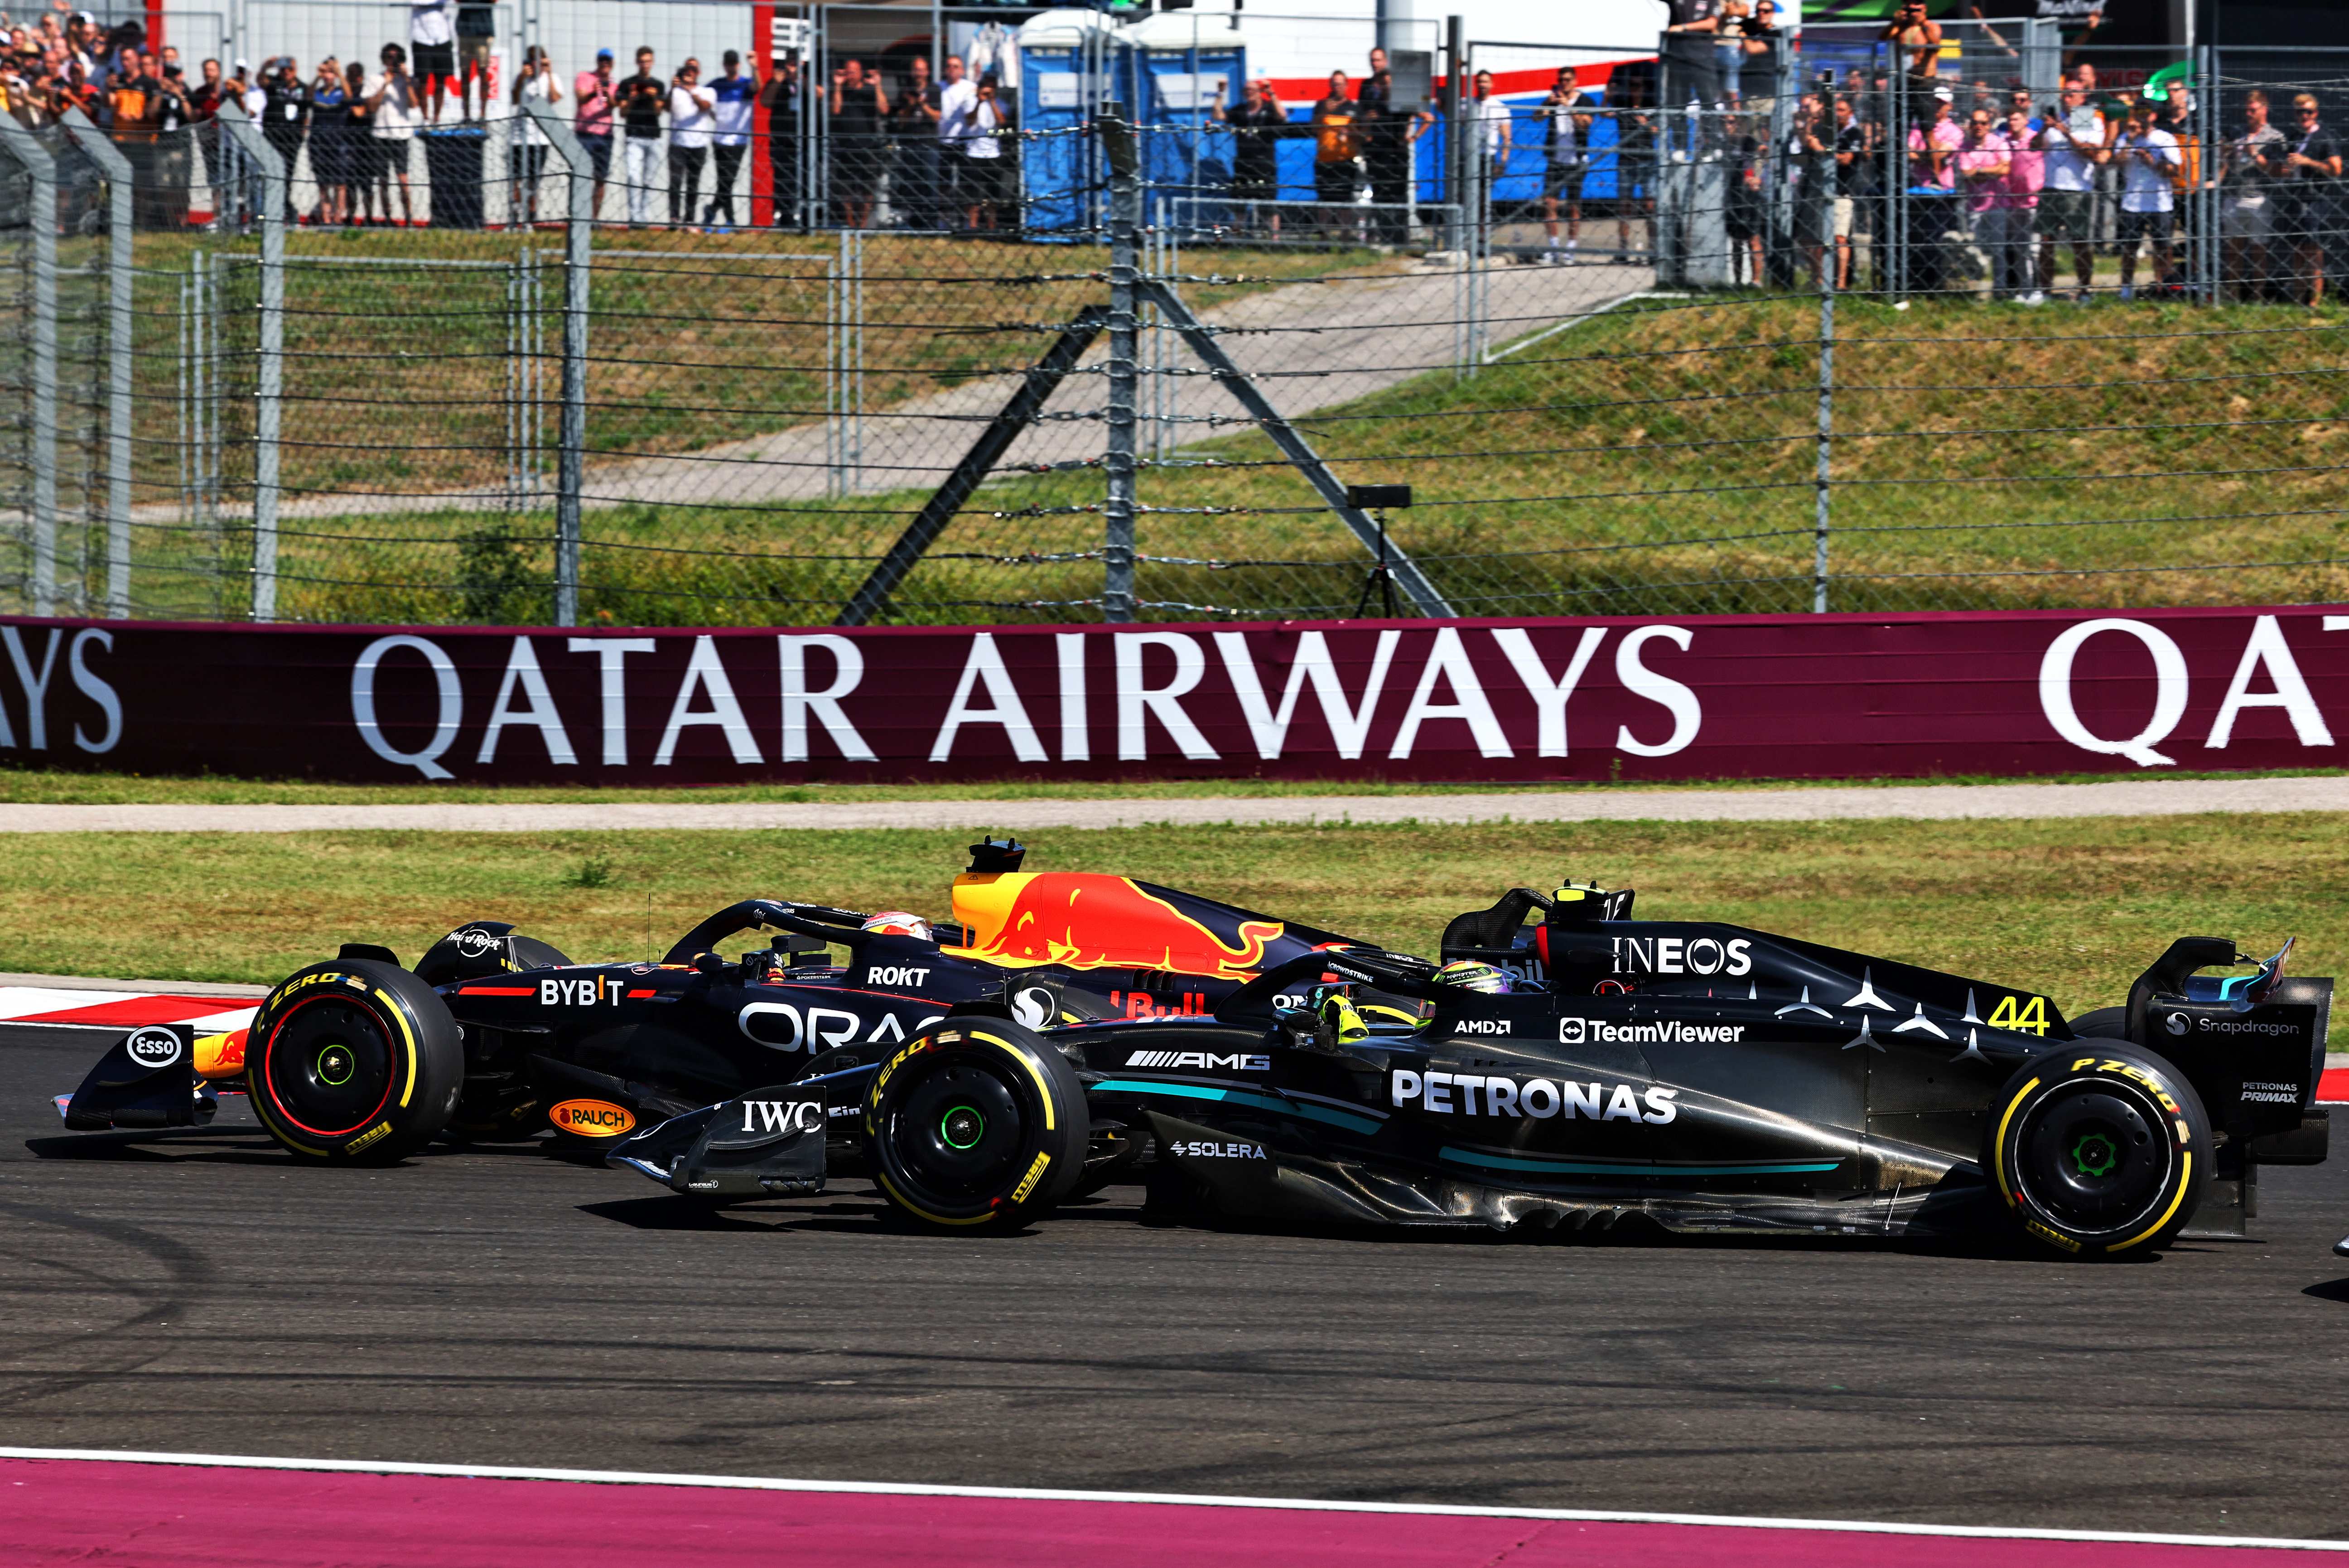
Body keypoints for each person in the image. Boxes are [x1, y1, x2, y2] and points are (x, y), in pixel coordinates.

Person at [2038, 80, 2103, 302]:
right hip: (2050, 186)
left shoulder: (2088, 119)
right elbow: (2034, 146)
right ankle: (2045, 291)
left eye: (2071, 94)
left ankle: (2085, 290)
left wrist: (2066, 133)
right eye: (2064, 94)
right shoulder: (2054, 120)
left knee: (2080, 242)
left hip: (2077, 189)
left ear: (2082, 98)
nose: (2066, 98)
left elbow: (2091, 153)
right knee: (2046, 241)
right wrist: (2045, 129)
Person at [2277, 93, 2342, 307]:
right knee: (2297, 251)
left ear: (2316, 113)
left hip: (2316, 200)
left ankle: (2315, 301)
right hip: (2295, 199)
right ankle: (2299, 299)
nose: (2304, 116)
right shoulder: (2292, 137)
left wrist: (2309, 161)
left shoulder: (2324, 137)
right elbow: (2284, 170)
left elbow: (2336, 169)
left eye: (2309, 111)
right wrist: (2287, 170)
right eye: (2300, 112)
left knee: (2313, 251)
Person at [2223, 89, 2285, 302]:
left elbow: (2278, 172)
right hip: (2233, 197)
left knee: (2259, 251)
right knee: (2233, 250)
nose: (2248, 114)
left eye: (2253, 110)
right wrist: (2228, 155)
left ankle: (2258, 297)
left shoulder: (2275, 137)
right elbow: (2229, 167)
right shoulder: (2239, 135)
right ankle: (2233, 296)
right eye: (2246, 110)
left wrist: (2256, 155)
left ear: (2264, 110)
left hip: (2259, 198)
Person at [2112, 101, 2178, 299]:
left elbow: (2175, 171)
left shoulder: (2165, 138)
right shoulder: (2126, 138)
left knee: (2162, 249)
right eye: (2138, 112)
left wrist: (2154, 162)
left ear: (2153, 116)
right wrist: (2131, 141)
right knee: (2130, 248)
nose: (2142, 117)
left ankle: (2164, 287)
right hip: (2133, 202)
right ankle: (2126, 289)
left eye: (2146, 113)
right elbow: (2118, 162)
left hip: (2160, 203)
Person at [1905, 85, 1962, 293]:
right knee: (1917, 240)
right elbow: (1910, 154)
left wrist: (1924, 153)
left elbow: (1939, 154)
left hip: (1942, 194)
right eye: (1934, 103)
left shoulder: (1954, 132)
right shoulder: (1917, 128)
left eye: (1941, 103)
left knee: (1938, 241)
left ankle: (1939, 284)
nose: (1937, 107)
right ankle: (1918, 284)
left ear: (1949, 106)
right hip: (1918, 191)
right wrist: (1930, 154)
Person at [1955, 105, 2009, 294]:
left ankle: (2000, 287)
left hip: (1997, 205)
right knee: (1973, 251)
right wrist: (1993, 169)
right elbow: (1965, 173)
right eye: (1975, 122)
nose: (1979, 126)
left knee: (1998, 250)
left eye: (1983, 123)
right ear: (1970, 125)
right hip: (1975, 206)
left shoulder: (1999, 143)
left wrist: (1979, 171)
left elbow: (2005, 169)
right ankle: (1975, 288)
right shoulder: (1964, 147)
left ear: (1989, 125)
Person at [1537, 68, 1589, 263]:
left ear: (1575, 81)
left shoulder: (1584, 101)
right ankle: (1554, 247)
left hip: (1576, 161)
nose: (1564, 83)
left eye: (1568, 80)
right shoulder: (1554, 100)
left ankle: (1571, 249)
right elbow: (1537, 117)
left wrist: (1568, 107)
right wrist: (1547, 103)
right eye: (1561, 80)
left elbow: (1585, 125)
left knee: (1574, 206)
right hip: (1556, 161)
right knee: (1549, 203)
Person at [828, 57, 885, 229]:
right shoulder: (841, 90)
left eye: (854, 71)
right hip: (845, 145)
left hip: (869, 145)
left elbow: (884, 109)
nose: (851, 74)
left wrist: (877, 85)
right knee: (846, 185)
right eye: (848, 71)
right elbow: (836, 110)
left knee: (869, 185)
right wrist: (838, 85)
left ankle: (864, 220)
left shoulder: (870, 90)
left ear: (861, 74)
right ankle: (850, 219)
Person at [366, 42, 418, 227]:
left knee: (403, 179)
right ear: (383, 59)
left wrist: (406, 80)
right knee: (383, 179)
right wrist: (385, 85)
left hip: (401, 135)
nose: (392, 61)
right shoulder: (375, 79)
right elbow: (371, 107)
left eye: (396, 58)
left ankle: (409, 216)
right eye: (389, 57)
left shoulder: (408, 80)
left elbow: (414, 104)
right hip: (381, 134)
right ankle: (387, 216)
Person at [698, 49, 751, 230]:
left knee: (727, 181)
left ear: (738, 65)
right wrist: (711, 113)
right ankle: (731, 221)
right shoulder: (716, 85)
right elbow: (702, 97)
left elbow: (758, 87)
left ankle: (713, 211)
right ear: (724, 65)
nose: (731, 67)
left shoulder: (746, 84)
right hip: (720, 140)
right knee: (725, 181)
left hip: (739, 141)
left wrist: (756, 66)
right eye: (728, 64)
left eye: (734, 63)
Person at [1222, 76, 1283, 235]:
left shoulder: (1268, 109)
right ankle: (1236, 239)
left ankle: (1275, 241)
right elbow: (1219, 116)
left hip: (1264, 165)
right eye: (1246, 90)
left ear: (1259, 92)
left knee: (1269, 207)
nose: (1249, 93)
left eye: (1252, 90)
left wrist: (1272, 94)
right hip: (1243, 165)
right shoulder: (1241, 110)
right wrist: (1220, 93)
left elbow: (1282, 116)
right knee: (1239, 207)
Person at [1997, 105, 2045, 302]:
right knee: (2018, 249)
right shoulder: (2005, 142)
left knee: (2032, 249)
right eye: (2010, 119)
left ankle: (2037, 290)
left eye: (2016, 119)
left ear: (2027, 120)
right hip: (2013, 202)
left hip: (2034, 201)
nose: (2012, 123)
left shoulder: (2036, 140)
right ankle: (2024, 291)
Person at [615, 46, 665, 228]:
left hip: (654, 136)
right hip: (634, 136)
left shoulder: (658, 85)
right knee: (633, 176)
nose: (645, 65)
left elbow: (659, 112)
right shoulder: (627, 83)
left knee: (649, 181)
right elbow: (622, 112)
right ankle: (634, 217)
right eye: (642, 61)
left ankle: (645, 218)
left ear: (652, 63)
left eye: (648, 61)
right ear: (637, 62)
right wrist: (632, 98)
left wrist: (653, 98)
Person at [510, 43, 559, 227]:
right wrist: (522, 79)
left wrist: (550, 72)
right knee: (515, 179)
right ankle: (515, 213)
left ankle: (531, 215)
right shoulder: (522, 79)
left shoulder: (550, 79)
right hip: (519, 136)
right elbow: (515, 99)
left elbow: (554, 98)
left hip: (540, 137)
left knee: (533, 180)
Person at [956, 71, 1010, 232]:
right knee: (973, 193)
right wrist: (979, 103)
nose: (990, 88)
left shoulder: (1001, 103)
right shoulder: (971, 101)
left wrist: (992, 101)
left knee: (992, 193)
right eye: (987, 84)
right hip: (974, 152)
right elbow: (970, 121)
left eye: (993, 85)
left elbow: (1001, 122)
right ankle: (973, 226)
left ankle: (991, 226)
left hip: (994, 153)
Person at [887, 55, 937, 229]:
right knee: (912, 183)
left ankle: (931, 222)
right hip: (910, 143)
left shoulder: (934, 90)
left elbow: (939, 118)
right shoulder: (905, 91)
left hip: (929, 143)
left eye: (922, 70)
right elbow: (900, 121)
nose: (919, 73)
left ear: (928, 72)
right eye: (916, 70)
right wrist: (910, 105)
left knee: (930, 184)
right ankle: (915, 221)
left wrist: (923, 105)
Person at [758, 49, 802, 229]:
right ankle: (786, 216)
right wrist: (777, 82)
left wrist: (799, 78)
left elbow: (819, 95)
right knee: (783, 179)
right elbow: (765, 102)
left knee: (802, 178)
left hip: (803, 138)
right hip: (781, 138)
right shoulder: (777, 82)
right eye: (789, 62)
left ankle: (803, 215)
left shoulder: (805, 81)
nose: (791, 66)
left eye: (795, 62)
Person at [666, 56, 712, 230]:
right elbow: (665, 107)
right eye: (687, 68)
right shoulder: (675, 91)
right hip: (677, 143)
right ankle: (674, 218)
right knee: (675, 182)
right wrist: (672, 89)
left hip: (698, 145)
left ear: (699, 73)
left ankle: (690, 219)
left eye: (694, 69)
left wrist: (688, 89)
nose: (690, 72)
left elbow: (704, 107)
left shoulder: (706, 91)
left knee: (693, 183)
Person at [259, 55, 305, 222]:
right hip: (273, 138)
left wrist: (302, 135)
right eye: (283, 69)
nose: (286, 72)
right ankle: (268, 212)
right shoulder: (273, 84)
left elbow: (306, 112)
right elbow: (261, 81)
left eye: (290, 69)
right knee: (270, 176)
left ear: (296, 70)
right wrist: (266, 66)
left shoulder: (302, 88)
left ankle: (287, 209)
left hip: (292, 140)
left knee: (287, 176)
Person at [1310, 70, 1357, 234]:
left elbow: (1362, 134)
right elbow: (1313, 129)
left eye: (1340, 84)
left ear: (1346, 86)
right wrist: (1324, 112)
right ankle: (1324, 240)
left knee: (1345, 202)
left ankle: (1345, 240)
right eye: (1334, 84)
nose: (1337, 87)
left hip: (1346, 161)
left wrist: (1350, 132)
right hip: (1324, 161)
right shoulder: (1322, 105)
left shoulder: (1353, 108)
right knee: (1325, 203)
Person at [309, 56, 350, 227]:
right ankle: (326, 220)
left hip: (338, 142)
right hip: (318, 142)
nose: (328, 76)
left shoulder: (340, 92)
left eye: (330, 72)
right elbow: (307, 95)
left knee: (340, 184)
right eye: (326, 72)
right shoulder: (317, 93)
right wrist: (318, 76)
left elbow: (349, 96)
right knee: (323, 184)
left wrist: (340, 73)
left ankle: (338, 218)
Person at [574, 47, 615, 216]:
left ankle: (594, 218)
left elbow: (614, 107)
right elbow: (581, 99)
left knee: (600, 178)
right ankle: (579, 216)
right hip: (585, 134)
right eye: (602, 60)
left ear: (612, 64)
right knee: (581, 178)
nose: (605, 63)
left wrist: (606, 93)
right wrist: (593, 93)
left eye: (608, 61)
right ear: (597, 62)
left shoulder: (614, 85)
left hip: (605, 136)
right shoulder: (585, 77)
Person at [1470, 68, 1508, 241]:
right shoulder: (1468, 105)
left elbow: (1507, 136)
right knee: (1466, 195)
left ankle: (1482, 234)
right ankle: (1468, 231)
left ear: (1492, 84)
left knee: (1483, 196)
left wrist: (1503, 160)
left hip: (1488, 155)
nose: (1482, 85)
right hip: (1470, 156)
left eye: (1485, 82)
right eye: (1479, 82)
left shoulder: (1499, 107)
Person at [408, 0, 454, 125]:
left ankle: (436, 119)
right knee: (423, 80)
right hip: (421, 38)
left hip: (442, 38)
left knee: (441, 81)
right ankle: (426, 118)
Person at [344, 58, 378, 224]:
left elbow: (361, 112)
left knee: (367, 185)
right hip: (348, 143)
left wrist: (353, 108)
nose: (349, 79)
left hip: (366, 145)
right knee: (350, 185)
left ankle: (369, 217)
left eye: (353, 76)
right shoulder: (343, 93)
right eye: (348, 75)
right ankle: (350, 217)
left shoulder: (365, 93)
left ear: (360, 78)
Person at [1883, 0, 1942, 84]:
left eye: (1917, 4)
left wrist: (1923, 24)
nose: (1912, 7)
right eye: (1908, 4)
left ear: (1924, 8)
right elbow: (1884, 38)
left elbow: (1936, 46)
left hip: (1925, 80)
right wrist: (1895, 22)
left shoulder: (1932, 27)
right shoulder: (1900, 27)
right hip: (1903, 79)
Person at [453, 0, 493, 120]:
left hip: (483, 31)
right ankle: (466, 116)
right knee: (465, 73)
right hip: (465, 30)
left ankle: (482, 116)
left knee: (483, 72)